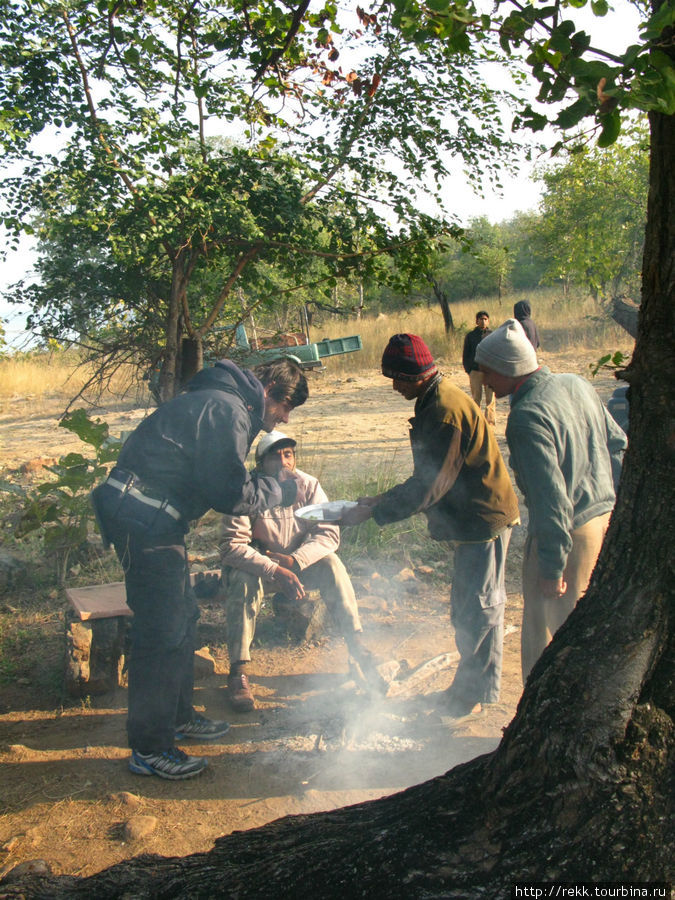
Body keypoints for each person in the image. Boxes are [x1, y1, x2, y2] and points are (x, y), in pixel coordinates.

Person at [91, 358, 309, 780]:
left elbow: (213, 473)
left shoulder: (219, 400)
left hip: (152, 517)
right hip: (143, 519)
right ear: (271, 391)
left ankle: (179, 717)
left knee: (183, 616)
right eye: (286, 408)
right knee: (161, 631)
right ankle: (150, 749)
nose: (282, 419)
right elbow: (228, 492)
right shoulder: (227, 409)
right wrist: (278, 489)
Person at [341, 334, 520, 718]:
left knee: (478, 610)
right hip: (471, 518)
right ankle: (471, 691)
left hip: (482, 519)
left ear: (420, 375)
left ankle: (469, 697)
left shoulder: (443, 411)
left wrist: (376, 511)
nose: (395, 386)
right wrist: (378, 500)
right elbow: (430, 476)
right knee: (472, 608)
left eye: (399, 378)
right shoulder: (434, 400)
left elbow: (430, 484)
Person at [475, 319, 627, 681]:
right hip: (602, 522)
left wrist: (552, 569)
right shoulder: (577, 384)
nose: (485, 382)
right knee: (587, 631)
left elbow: (552, 502)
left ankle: (544, 727)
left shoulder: (526, 418)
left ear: (508, 369)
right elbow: (618, 445)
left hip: (567, 536)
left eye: (488, 373)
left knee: (549, 643)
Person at [219, 430, 382, 711]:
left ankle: (358, 647)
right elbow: (232, 546)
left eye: (288, 454)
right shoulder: (245, 491)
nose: (283, 462)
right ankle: (239, 671)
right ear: (260, 464)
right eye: (275, 456)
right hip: (259, 567)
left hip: (296, 565)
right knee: (244, 580)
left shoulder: (308, 486)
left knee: (332, 564)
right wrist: (273, 568)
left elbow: (328, 534)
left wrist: (295, 561)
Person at [462, 310, 496, 425]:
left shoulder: (493, 335)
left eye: (485, 319)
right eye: (481, 319)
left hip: (489, 372)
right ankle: (476, 423)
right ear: (476, 321)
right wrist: (469, 370)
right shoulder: (471, 336)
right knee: (476, 398)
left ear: (488, 321)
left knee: (490, 399)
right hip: (475, 371)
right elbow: (466, 354)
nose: (483, 321)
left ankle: (490, 423)